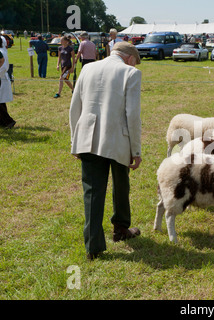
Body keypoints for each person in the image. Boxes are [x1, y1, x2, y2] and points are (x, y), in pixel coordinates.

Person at [69, 41, 142, 260]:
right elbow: (133, 115)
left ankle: (93, 248)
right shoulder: (131, 73)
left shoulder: (88, 67)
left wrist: (75, 139)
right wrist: (136, 150)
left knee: (92, 192)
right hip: (118, 138)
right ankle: (120, 228)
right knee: (121, 184)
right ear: (130, 58)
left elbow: (75, 106)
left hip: (88, 137)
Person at [0, 36, 15, 129]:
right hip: (1, 78)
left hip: (1, 78)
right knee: (1, 102)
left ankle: (8, 121)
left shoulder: (1, 52)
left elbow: (4, 67)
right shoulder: (2, 50)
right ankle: (3, 121)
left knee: (0, 102)